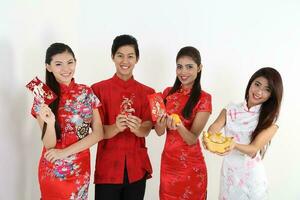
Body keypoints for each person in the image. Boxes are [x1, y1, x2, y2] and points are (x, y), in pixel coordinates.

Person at [31, 43, 104, 199]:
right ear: (48, 67)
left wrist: (64, 153)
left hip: (80, 169)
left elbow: (98, 134)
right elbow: (49, 144)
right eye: (58, 64)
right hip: (53, 169)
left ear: (75, 62)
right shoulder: (42, 95)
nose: (66, 69)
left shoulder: (86, 92)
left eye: (70, 62)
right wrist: (50, 123)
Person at [91, 34, 154, 200]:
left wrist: (138, 128)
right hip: (108, 167)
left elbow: (147, 128)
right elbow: (96, 131)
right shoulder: (97, 90)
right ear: (112, 57)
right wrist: (115, 127)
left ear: (137, 59)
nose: (125, 61)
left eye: (130, 56)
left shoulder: (148, 92)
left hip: (136, 167)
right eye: (120, 55)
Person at [206, 67, 283, 199]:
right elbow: (214, 128)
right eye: (257, 84)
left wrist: (232, 145)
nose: (259, 91)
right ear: (250, 83)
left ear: (272, 95)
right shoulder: (231, 108)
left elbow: (252, 149)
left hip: (252, 180)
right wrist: (209, 138)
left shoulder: (271, 120)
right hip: (229, 176)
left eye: (267, 89)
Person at [155, 46, 212, 200]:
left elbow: (192, 139)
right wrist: (160, 122)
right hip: (168, 165)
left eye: (189, 67)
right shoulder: (167, 93)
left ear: (199, 68)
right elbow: (159, 132)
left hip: (191, 167)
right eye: (179, 67)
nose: (183, 72)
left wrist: (178, 125)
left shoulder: (204, 98)